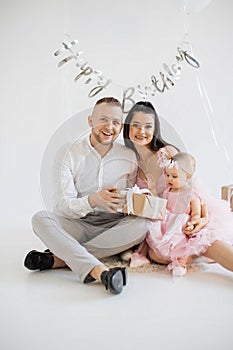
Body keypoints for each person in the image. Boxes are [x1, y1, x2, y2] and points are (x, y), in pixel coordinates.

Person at [24, 97, 149, 294]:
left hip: (113, 227)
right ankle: (101, 272)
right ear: (90, 121)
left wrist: (128, 201)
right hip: (79, 224)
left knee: (144, 224)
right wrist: (94, 200)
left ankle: (60, 259)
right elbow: (61, 206)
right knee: (40, 218)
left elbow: (131, 198)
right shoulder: (69, 152)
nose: (110, 126)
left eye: (116, 122)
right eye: (103, 119)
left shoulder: (129, 157)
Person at [120, 101, 209, 263]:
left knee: (207, 244)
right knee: (154, 255)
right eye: (136, 125)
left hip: (182, 215)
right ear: (128, 128)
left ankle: (193, 255)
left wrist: (202, 217)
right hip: (157, 220)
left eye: (148, 126)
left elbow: (190, 187)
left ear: (155, 130)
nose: (141, 131)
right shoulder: (130, 159)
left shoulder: (167, 153)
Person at [130, 152, 233, 277]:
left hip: (181, 225)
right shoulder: (168, 191)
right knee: (151, 233)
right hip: (167, 223)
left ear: (187, 177)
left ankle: (180, 262)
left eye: (174, 176)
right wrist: (152, 189)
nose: (169, 179)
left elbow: (196, 212)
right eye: (167, 175)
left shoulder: (191, 194)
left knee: (182, 244)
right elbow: (162, 204)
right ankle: (141, 255)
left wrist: (193, 221)